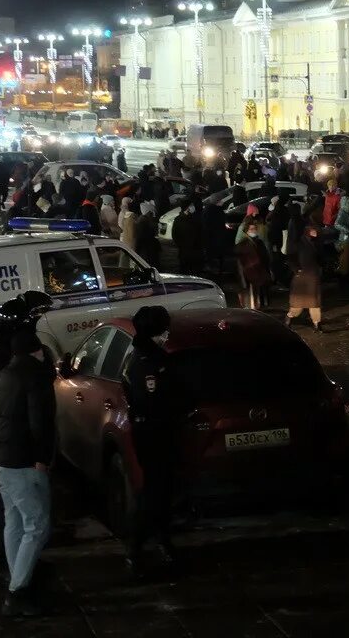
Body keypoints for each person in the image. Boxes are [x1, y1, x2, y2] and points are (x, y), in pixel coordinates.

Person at [0, 329, 56, 617]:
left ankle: (18, 581)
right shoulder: (35, 377)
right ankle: (18, 592)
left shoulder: (3, 375)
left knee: (14, 521)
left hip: (3, 458)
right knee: (37, 524)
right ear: (37, 351)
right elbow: (41, 421)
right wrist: (42, 457)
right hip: (23, 460)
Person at [121, 306, 177, 577]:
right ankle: (137, 546)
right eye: (164, 330)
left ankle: (158, 541)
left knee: (160, 491)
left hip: (152, 432)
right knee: (153, 493)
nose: (167, 335)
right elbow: (154, 399)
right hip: (154, 434)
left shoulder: (141, 357)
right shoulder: (148, 362)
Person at [286, 225, 324, 331]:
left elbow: (320, 258)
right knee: (299, 303)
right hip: (302, 277)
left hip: (313, 277)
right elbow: (291, 258)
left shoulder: (317, 243)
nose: (315, 232)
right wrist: (297, 269)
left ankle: (317, 323)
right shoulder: (299, 244)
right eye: (312, 230)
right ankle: (289, 318)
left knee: (314, 303)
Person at [235, 219, 272, 310]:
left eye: (254, 229)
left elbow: (265, 258)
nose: (253, 231)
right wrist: (243, 280)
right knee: (250, 303)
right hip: (249, 277)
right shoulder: (242, 245)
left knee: (258, 301)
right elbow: (239, 264)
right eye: (251, 229)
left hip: (259, 276)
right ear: (246, 231)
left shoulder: (259, 243)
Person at [172, 201, 206, 275]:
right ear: (187, 208)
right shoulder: (194, 219)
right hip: (191, 252)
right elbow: (175, 235)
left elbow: (175, 235)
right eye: (191, 205)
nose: (193, 207)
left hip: (189, 251)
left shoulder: (178, 219)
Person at [135, 201, 161, 269]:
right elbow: (140, 239)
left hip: (147, 251)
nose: (152, 214)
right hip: (147, 252)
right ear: (148, 212)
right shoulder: (144, 222)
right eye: (151, 212)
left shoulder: (143, 220)